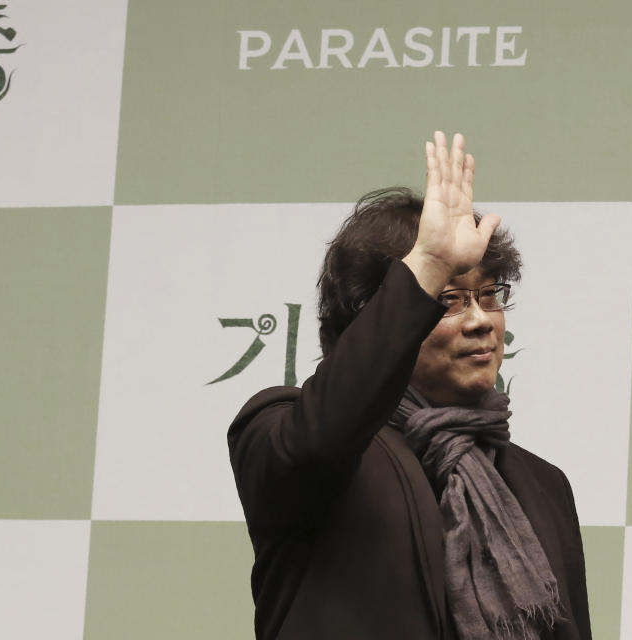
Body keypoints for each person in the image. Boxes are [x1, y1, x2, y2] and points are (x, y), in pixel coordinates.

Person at [228, 132, 591, 640]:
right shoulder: (287, 432)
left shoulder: (541, 482)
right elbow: (321, 437)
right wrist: (426, 264)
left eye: (488, 296)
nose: (480, 321)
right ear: (373, 314)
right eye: (448, 300)